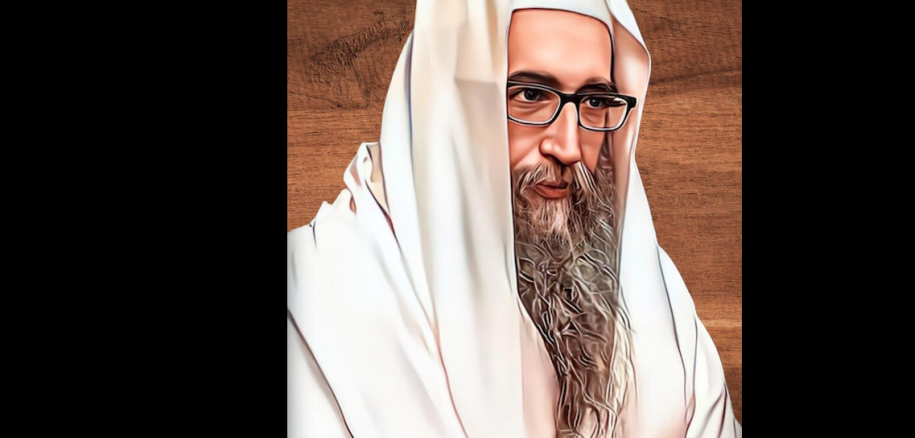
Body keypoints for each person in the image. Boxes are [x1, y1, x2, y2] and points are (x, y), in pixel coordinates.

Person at [286, 1, 742, 437]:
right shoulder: (311, 299)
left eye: (595, 101)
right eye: (530, 95)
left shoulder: (658, 301)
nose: (568, 146)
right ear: (448, 102)